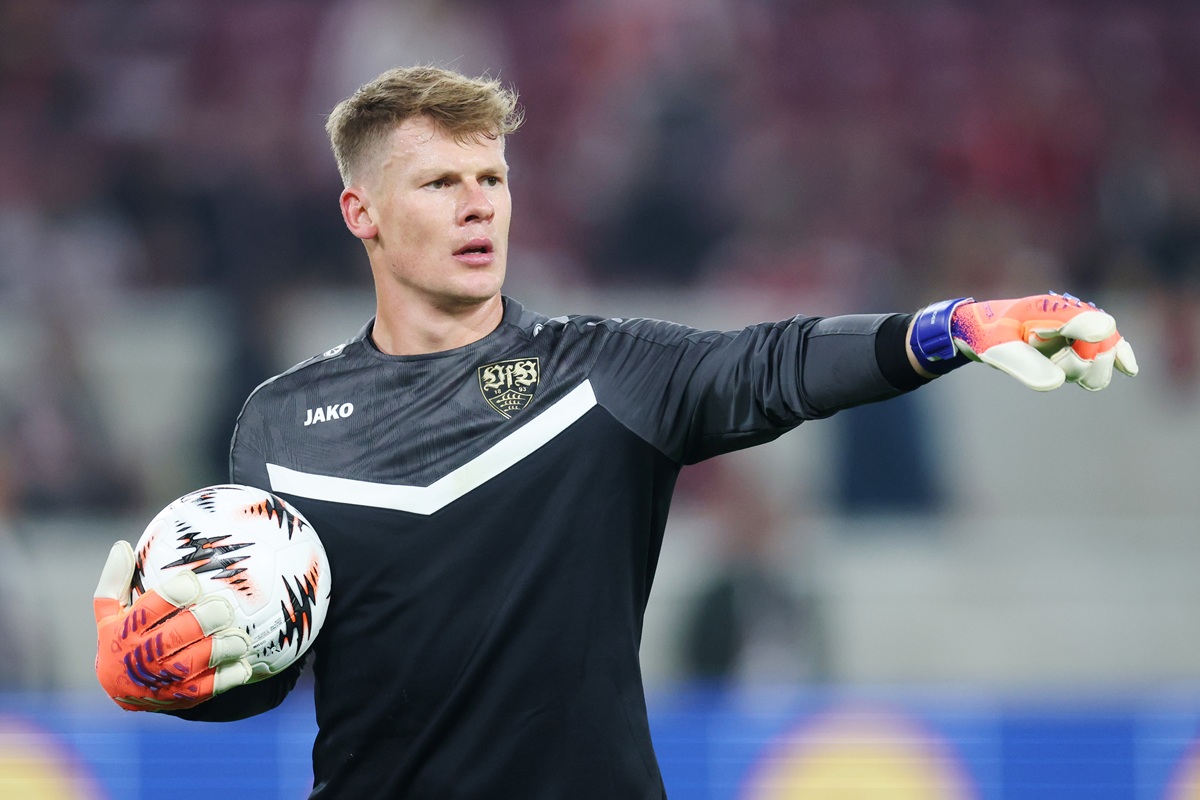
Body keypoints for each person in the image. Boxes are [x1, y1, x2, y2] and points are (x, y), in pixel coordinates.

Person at [92, 65, 1138, 798]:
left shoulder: (602, 374)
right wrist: (166, 677)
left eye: (493, 179)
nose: (478, 207)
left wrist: (948, 330)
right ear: (361, 211)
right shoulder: (279, 423)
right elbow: (271, 661)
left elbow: (772, 363)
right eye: (441, 182)